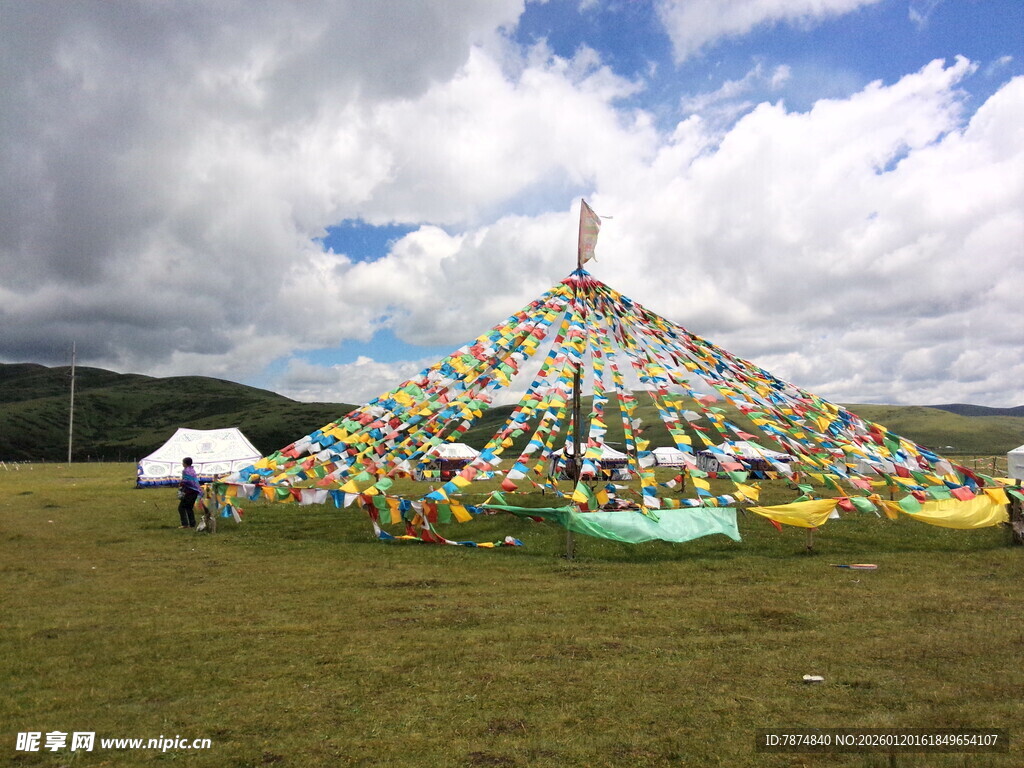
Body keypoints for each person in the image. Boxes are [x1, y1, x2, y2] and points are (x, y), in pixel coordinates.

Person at [177, 457, 201, 528]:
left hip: (189, 491)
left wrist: (181, 482)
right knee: (189, 508)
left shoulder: (186, 471)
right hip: (195, 491)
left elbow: (187, 481)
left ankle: (185, 524)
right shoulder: (192, 470)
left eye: (183, 462)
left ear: (185, 463)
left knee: (181, 507)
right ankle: (192, 524)